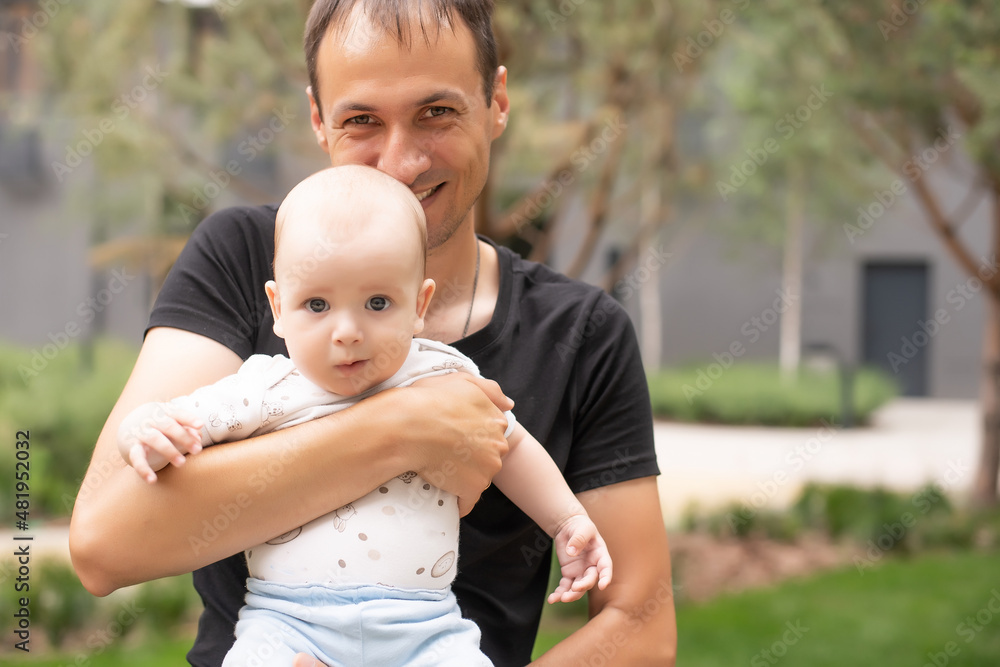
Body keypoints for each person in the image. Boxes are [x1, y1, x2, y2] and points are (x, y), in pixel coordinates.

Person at [69, 1, 677, 665]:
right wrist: (406, 428)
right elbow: (105, 544)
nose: (401, 160)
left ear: (496, 101)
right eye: (362, 119)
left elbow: (639, 625)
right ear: (317, 119)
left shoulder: (584, 335)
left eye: (436, 112)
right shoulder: (246, 257)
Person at [116, 165, 613, 666]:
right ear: (278, 306)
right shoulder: (263, 387)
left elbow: (513, 443)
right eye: (317, 304)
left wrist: (567, 519)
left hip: (425, 629)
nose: (348, 331)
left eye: (377, 302)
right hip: (288, 623)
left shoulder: (444, 374)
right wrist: (143, 429)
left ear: (419, 304)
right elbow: (177, 421)